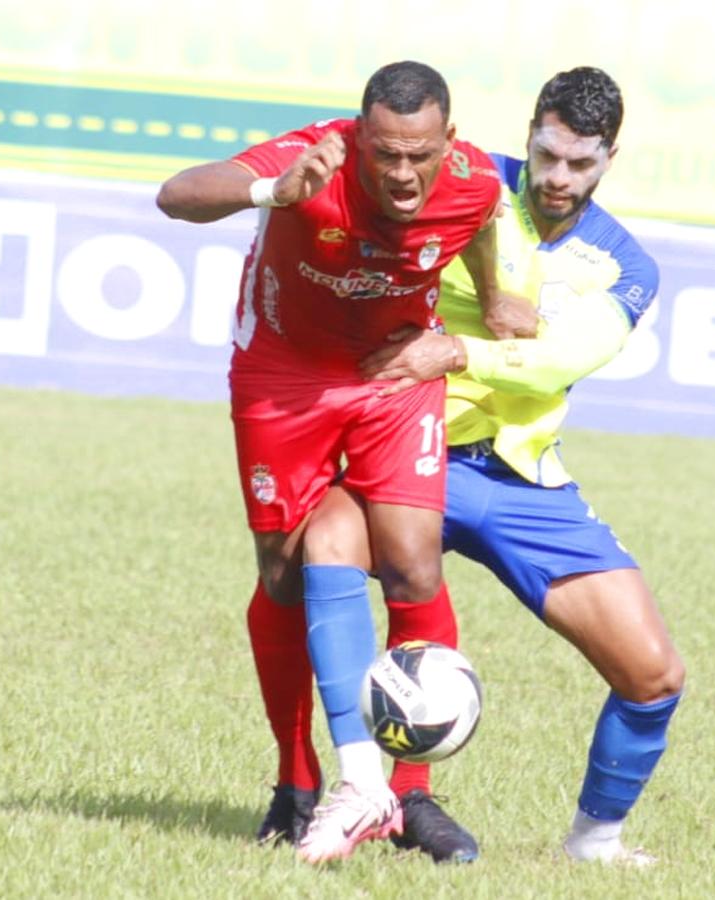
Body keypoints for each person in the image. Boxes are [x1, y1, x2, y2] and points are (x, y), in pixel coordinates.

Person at [264, 65, 687, 866]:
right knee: (320, 548)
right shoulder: (461, 181)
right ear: (529, 133)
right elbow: (370, 150)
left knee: (654, 674)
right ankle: (353, 787)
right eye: (547, 155)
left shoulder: (627, 267)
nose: (558, 179)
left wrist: (456, 349)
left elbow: (565, 357)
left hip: (525, 480)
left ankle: (595, 841)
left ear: (609, 159)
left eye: (580, 164)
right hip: (410, 448)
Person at [156, 61, 516, 864]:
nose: (401, 173)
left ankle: (409, 799)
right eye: (384, 153)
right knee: (283, 575)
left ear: (447, 142)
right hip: (284, 374)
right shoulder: (312, 159)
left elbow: (484, 217)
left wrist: (490, 296)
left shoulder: (473, 180)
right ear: (358, 137)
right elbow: (177, 195)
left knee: (414, 570)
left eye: (418, 155)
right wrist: (271, 193)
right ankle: (295, 782)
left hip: (393, 378)